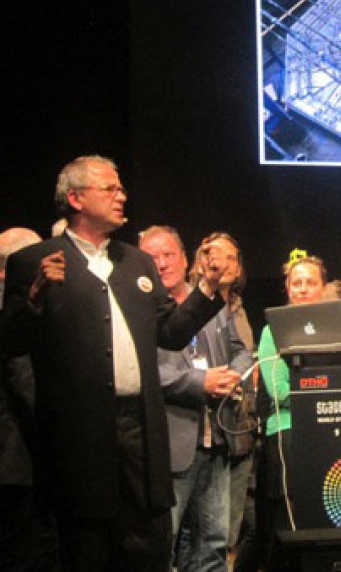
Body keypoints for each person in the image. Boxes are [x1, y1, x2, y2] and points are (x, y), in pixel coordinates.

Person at [0, 155, 229, 572]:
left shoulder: (137, 263)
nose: (122, 196)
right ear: (76, 198)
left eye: (121, 188)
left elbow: (170, 332)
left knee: (148, 548)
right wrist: (34, 298)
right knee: (86, 550)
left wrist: (207, 289)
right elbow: (11, 343)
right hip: (78, 439)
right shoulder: (33, 262)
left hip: (140, 430)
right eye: (110, 188)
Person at [139, 228, 252, 572]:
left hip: (215, 440)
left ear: (185, 259)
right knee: (165, 542)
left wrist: (234, 375)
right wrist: (201, 382)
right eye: (152, 258)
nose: (162, 264)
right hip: (172, 443)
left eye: (169, 255)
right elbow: (143, 372)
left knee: (214, 544)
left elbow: (240, 350)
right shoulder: (139, 310)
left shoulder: (210, 301)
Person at [255, 252, 329, 570]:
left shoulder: (334, 328)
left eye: (310, 282)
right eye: (296, 283)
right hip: (286, 431)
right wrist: (320, 392)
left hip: (328, 429)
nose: (303, 289)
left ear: (323, 288)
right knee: (288, 523)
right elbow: (279, 391)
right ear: (287, 287)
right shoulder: (271, 331)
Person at [0, 226, 59, 572]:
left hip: (19, 460)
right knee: (27, 554)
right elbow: (24, 379)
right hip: (20, 460)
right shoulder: (14, 313)